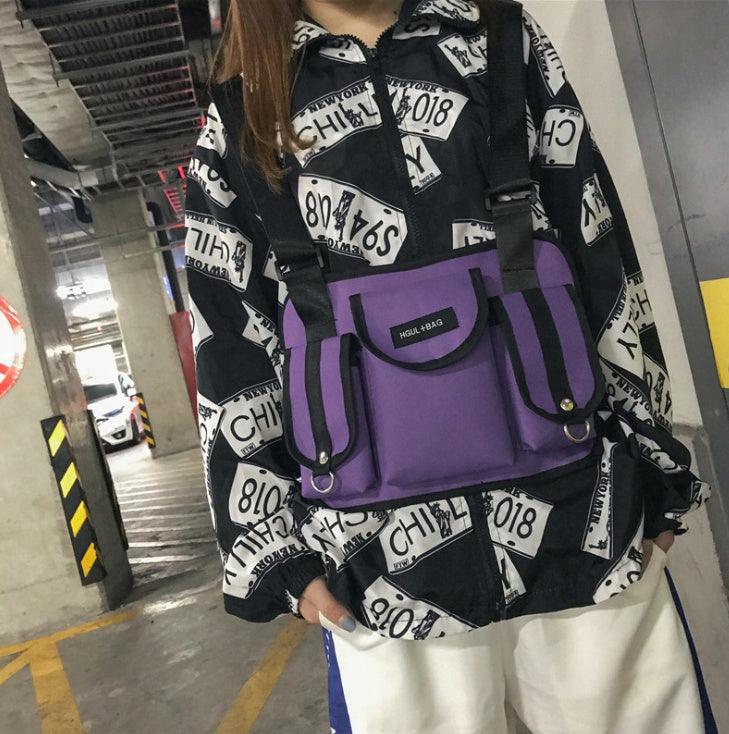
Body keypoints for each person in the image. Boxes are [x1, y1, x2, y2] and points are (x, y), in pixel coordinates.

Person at [184, 0, 714, 731]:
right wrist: (273, 553)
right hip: (378, 566)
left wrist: (655, 467)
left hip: (582, 521)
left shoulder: (500, 36)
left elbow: (596, 247)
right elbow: (229, 338)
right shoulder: (242, 108)